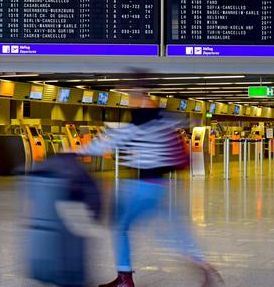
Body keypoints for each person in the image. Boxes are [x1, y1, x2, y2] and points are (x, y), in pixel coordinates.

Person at [76, 93, 224, 287]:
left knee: (121, 227)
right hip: (162, 186)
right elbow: (187, 123)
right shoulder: (164, 122)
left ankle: (124, 278)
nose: (129, 101)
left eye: (132, 97)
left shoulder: (137, 125)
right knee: (173, 231)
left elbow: (105, 144)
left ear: (140, 101)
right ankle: (201, 263)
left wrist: (74, 150)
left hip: (141, 186)